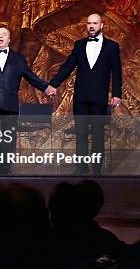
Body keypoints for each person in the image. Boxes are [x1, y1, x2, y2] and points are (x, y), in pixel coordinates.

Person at [46, 14, 122, 175]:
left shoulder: (112, 46)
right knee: (80, 133)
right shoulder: (79, 45)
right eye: (89, 23)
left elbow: (117, 72)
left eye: (95, 23)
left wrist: (116, 94)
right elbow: (68, 66)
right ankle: (81, 167)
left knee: (98, 134)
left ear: (102, 25)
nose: (91, 26)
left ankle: (96, 169)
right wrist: (54, 84)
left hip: (99, 97)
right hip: (81, 97)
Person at [0, 27, 50, 174]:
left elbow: (30, 76)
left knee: (8, 139)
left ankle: (5, 169)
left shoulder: (18, 59)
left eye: (4, 34)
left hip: (10, 105)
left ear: (9, 39)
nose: (1, 36)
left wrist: (46, 87)